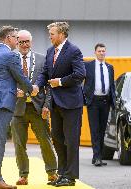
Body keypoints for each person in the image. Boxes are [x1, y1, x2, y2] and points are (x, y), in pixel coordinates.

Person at [0, 25, 39, 189]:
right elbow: (20, 77)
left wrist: (14, 91)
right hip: (2, 104)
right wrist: (31, 89)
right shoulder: (10, 56)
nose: (18, 40)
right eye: (15, 38)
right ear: (8, 38)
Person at [35, 22, 86, 187]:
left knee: (71, 141)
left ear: (62, 34)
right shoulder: (50, 51)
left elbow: (80, 74)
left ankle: (70, 177)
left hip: (71, 103)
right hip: (55, 103)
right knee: (57, 139)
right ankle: (62, 173)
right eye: (49, 34)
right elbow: (44, 72)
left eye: (52, 34)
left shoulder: (74, 51)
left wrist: (61, 82)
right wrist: (37, 85)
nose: (50, 37)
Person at [10, 30, 57, 185]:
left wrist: (47, 105)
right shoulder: (10, 60)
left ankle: (52, 172)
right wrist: (12, 91)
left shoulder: (43, 60)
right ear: (16, 42)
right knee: (19, 145)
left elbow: (49, 86)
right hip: (17, 109)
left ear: (31, 41)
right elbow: (4, 83)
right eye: (21, 42)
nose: (24, 45)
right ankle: (23, 175)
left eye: (26, 41)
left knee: (45, 141)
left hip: (38, 108)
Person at [83, 43, 116, 166]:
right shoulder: (88, 66)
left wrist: (113, 100)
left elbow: (111, 85)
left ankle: (98, 156)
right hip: (93, 101)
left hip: (105, 101)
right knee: (94, 129)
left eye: (103, 51)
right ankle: (97, 157)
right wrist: (84, 96)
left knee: (102, 129)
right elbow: (82, 82)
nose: (101, 53)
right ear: (95, 52)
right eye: (99, 51)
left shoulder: (109, 67)